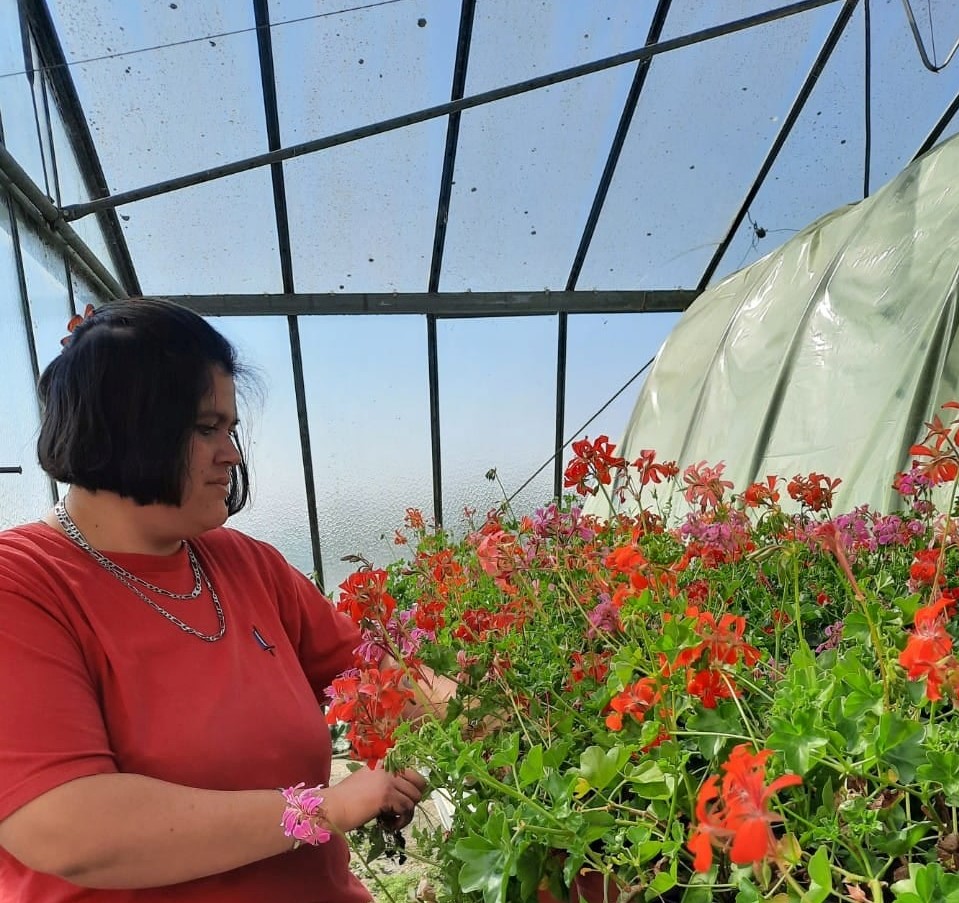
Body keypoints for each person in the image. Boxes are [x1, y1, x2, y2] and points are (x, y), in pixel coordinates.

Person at [0, 298, 435, 902]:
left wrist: (504, 719)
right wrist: (323, 808)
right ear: (127, 426)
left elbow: (380, 678)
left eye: (230, 430)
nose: (231, 453)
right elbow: (69, 828)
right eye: (207, 429)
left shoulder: (243, 563)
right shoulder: (22, 586)